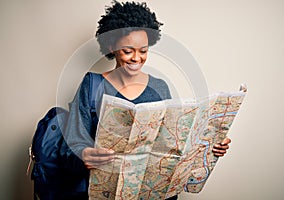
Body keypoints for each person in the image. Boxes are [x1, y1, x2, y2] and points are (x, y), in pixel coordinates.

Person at [64, 1, 231, 199]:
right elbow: (72, 143)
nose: (137, 58)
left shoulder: (160, 87)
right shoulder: (92, 84)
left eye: (143, 50)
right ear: (112, 46)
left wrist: (209, 147)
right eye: (128, 51)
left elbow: (175, 144)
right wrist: (84, 154)